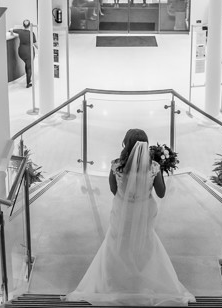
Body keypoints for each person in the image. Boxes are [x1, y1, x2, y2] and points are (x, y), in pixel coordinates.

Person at [66, 128, 193, 306]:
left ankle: (116, 283)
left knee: (117, 244)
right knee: (145, 243)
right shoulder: (154, 167)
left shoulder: (116, 165)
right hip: (144, 211)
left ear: (126, 144)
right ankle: (142, 281)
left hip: (122, 212)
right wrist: (160, 172)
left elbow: (113, 189)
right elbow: (161, 193)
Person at [14, 20, 36, 87]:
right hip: (29, 52)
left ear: (23, 25)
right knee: (29, 67)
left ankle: (28, 79)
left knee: (27, 64)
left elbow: (10, 30)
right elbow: (35, 44)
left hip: (21, 51)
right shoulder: (31, 33)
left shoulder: (19, 31)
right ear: (29, 25)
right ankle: (28, 83)